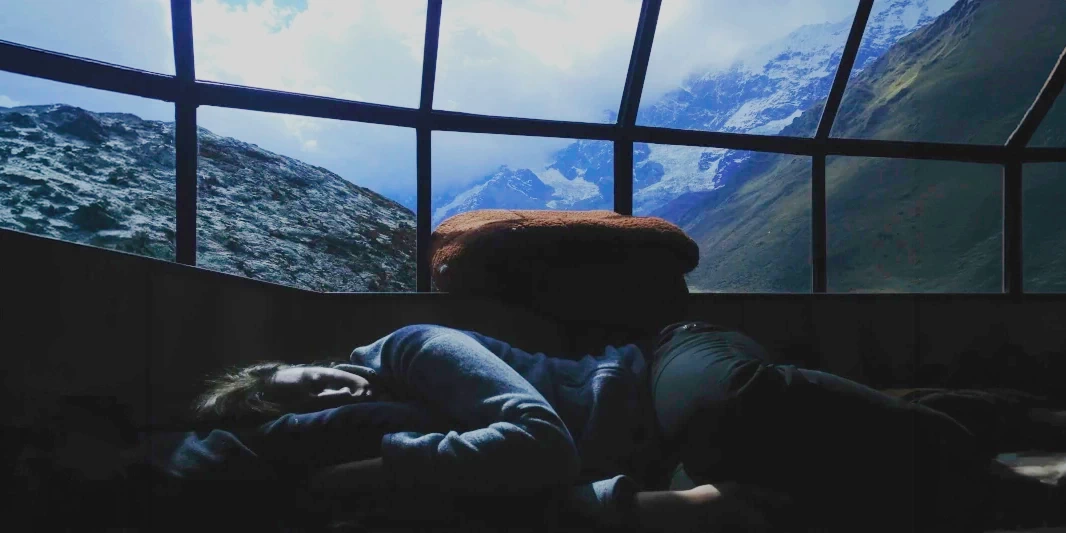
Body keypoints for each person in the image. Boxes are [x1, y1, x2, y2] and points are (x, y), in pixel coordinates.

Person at [181, 322, 1065, 532]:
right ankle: (987, 428)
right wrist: (631, 505)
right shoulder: (389, 441)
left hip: (657, 367)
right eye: (313, 404)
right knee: (769, 471)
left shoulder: (413, 348)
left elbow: (538, 443)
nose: (333, 391)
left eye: (313, 378)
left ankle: (1002, 459)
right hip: (658, 447)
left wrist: (373, 467)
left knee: (731, 406)